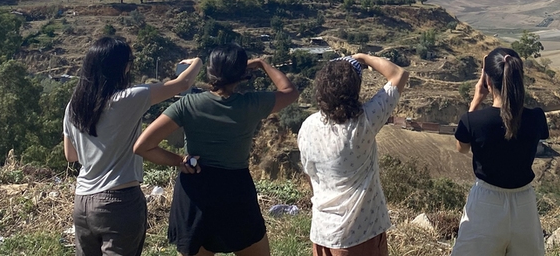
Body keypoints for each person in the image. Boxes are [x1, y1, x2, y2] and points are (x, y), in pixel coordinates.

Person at [133, 44, 298, 256]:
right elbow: (290, 92)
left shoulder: (188, 104)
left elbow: (142, 146)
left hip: (195, 191)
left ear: (210, 71)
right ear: (241, 74)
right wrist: (262, 64)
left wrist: (179, 161)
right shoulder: (251, 104)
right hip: (235, 191)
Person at [63, 36, 201, 256]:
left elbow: (71, 155)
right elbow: (183, 84)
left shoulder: (74, 106)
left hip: (82, 202)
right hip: (119, 201)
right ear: (123, 67)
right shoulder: (129, 98)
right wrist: (198, 62)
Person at [297, 54, 409, 256]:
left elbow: (309, 174)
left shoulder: (308, 126)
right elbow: (398, 74)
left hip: (322, 230)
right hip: (360, 233)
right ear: (354, 90)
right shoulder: (364, 122)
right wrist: (362, 57)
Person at [451, 47, 549, 256]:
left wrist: (476, 100)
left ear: (487, 81)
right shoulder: (537, 118)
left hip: (486, 203)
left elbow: (461, 148)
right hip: (525, 205)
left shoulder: (473, 121)